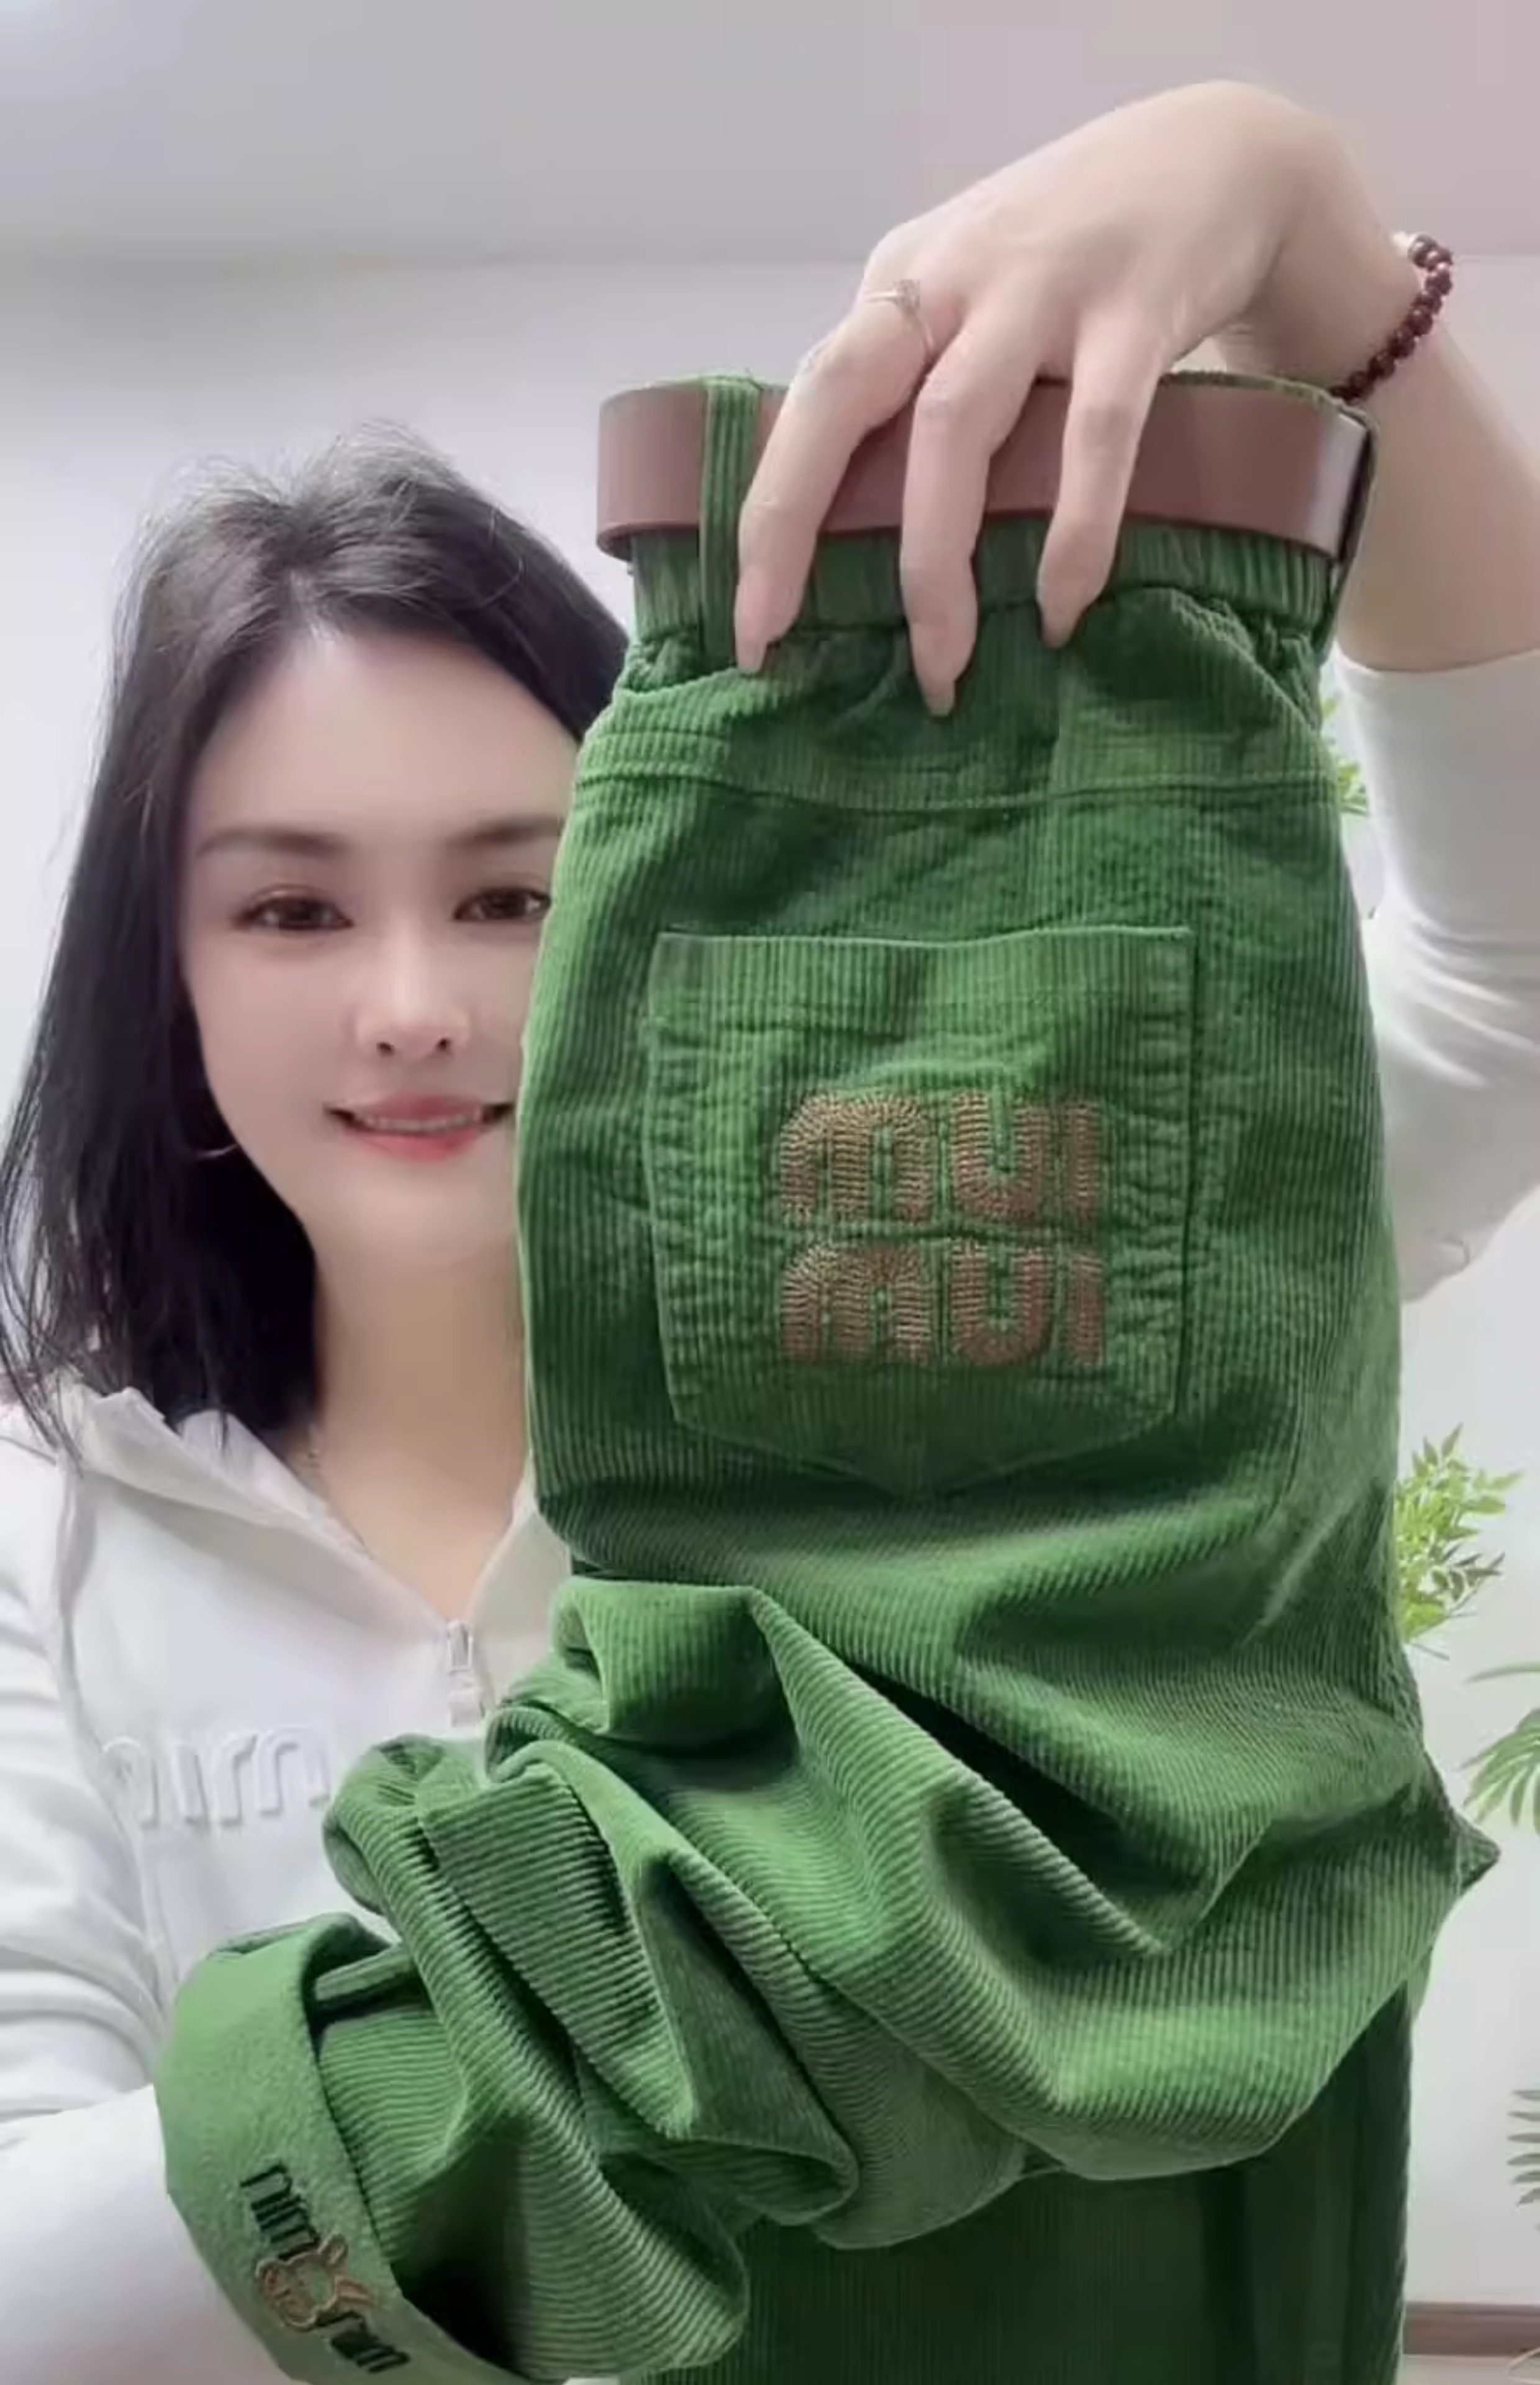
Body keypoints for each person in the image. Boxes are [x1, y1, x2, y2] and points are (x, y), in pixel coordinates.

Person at [0, 76, 1536, 2384]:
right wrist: (757, 1954)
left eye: (515, 893)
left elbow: (1510, 983)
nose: (412, 1007)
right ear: (167, 975)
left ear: (663, 905)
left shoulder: (1038, 1314)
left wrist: (1309, 237)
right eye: (292, 908)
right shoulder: (50, 1534)